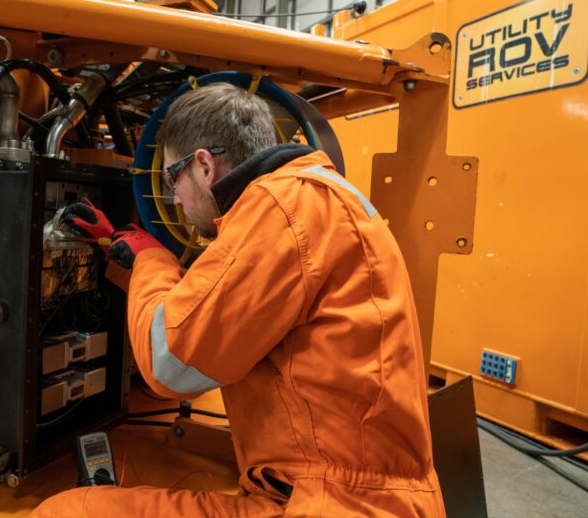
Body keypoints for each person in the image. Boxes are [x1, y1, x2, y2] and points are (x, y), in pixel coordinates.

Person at [30, 82, 445, 517]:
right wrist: (123, 257)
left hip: (327, 503)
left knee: (68, 511)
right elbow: (224, 299)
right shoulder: (312, 196)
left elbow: (170, 362)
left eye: (173, 177)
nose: (172, 197)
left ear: (205, 166)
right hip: (352, 494)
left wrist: (151, 260)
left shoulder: (281, 209)